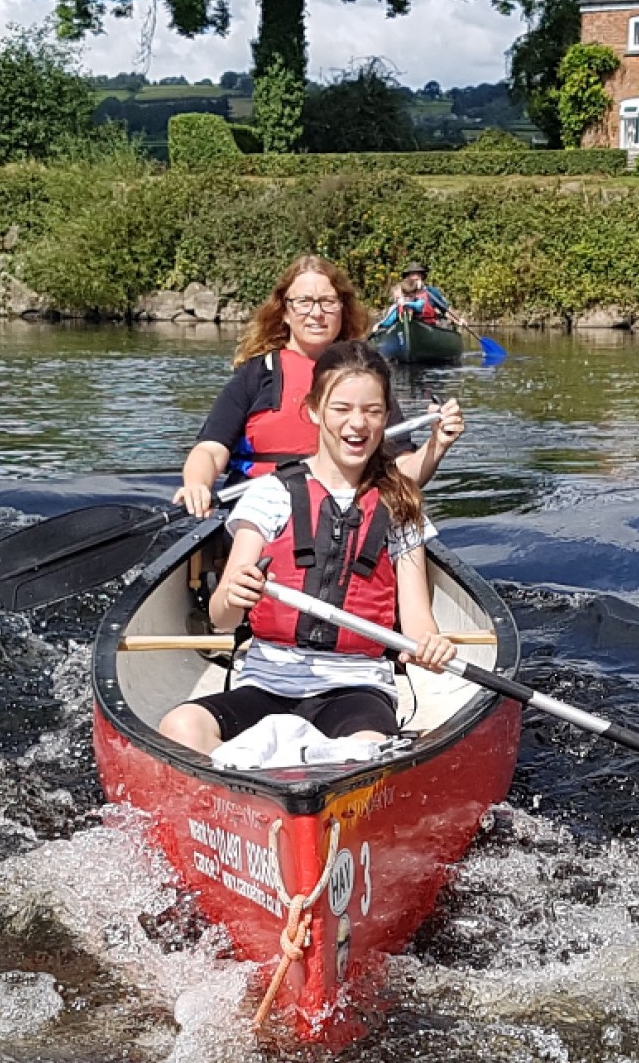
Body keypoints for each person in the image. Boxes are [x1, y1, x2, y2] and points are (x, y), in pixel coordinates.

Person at [159, 341, 457, 757]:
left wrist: (430, 645)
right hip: (268, 684)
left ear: (387, 417)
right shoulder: (269, 495)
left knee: (365, 752)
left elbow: (418, 625)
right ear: (315, 411)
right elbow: (222, 618)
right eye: (342, 409)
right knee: (180, 726)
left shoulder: (400, 505)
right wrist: (235, 594)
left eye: (372, 411)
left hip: (357, 691)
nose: (358, 424)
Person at [174, 255, 465, 518]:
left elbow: (404, 471)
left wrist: (437, 445)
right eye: (304, 302)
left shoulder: (367, 375)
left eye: (328, 302)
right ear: (285, 312)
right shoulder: (257, 373)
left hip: (342, 516)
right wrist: (197, 484)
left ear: (342, 309)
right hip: (259, 513)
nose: (316, 313)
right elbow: (210, 449)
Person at [373, 260, 469, 336]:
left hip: (429, 327)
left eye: (418, 275)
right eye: (412, 275)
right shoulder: (400, 291)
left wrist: (458, 320)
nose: (415, 278)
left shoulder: (431, 292)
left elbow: (446, 310)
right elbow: (393, 311)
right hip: (402, 327)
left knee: (444, 324)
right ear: (407, 278)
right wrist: (381, 324)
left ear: (422, 277)